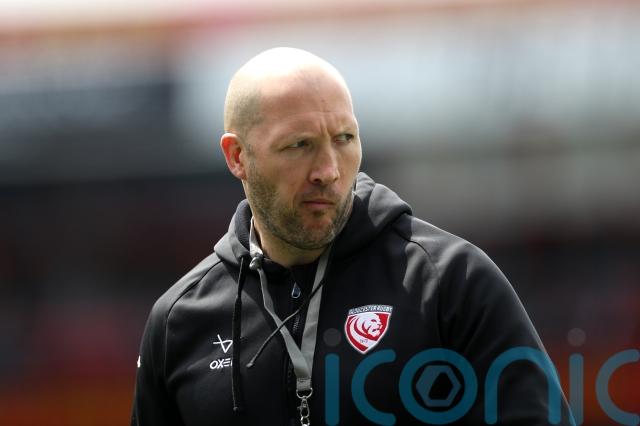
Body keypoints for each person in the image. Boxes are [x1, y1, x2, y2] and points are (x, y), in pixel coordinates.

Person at [131, 47, 576, 425]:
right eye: (299, 145)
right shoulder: (178, 321)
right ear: (237, 156)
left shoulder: (450, 281)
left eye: (344, 138)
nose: (328, 171)